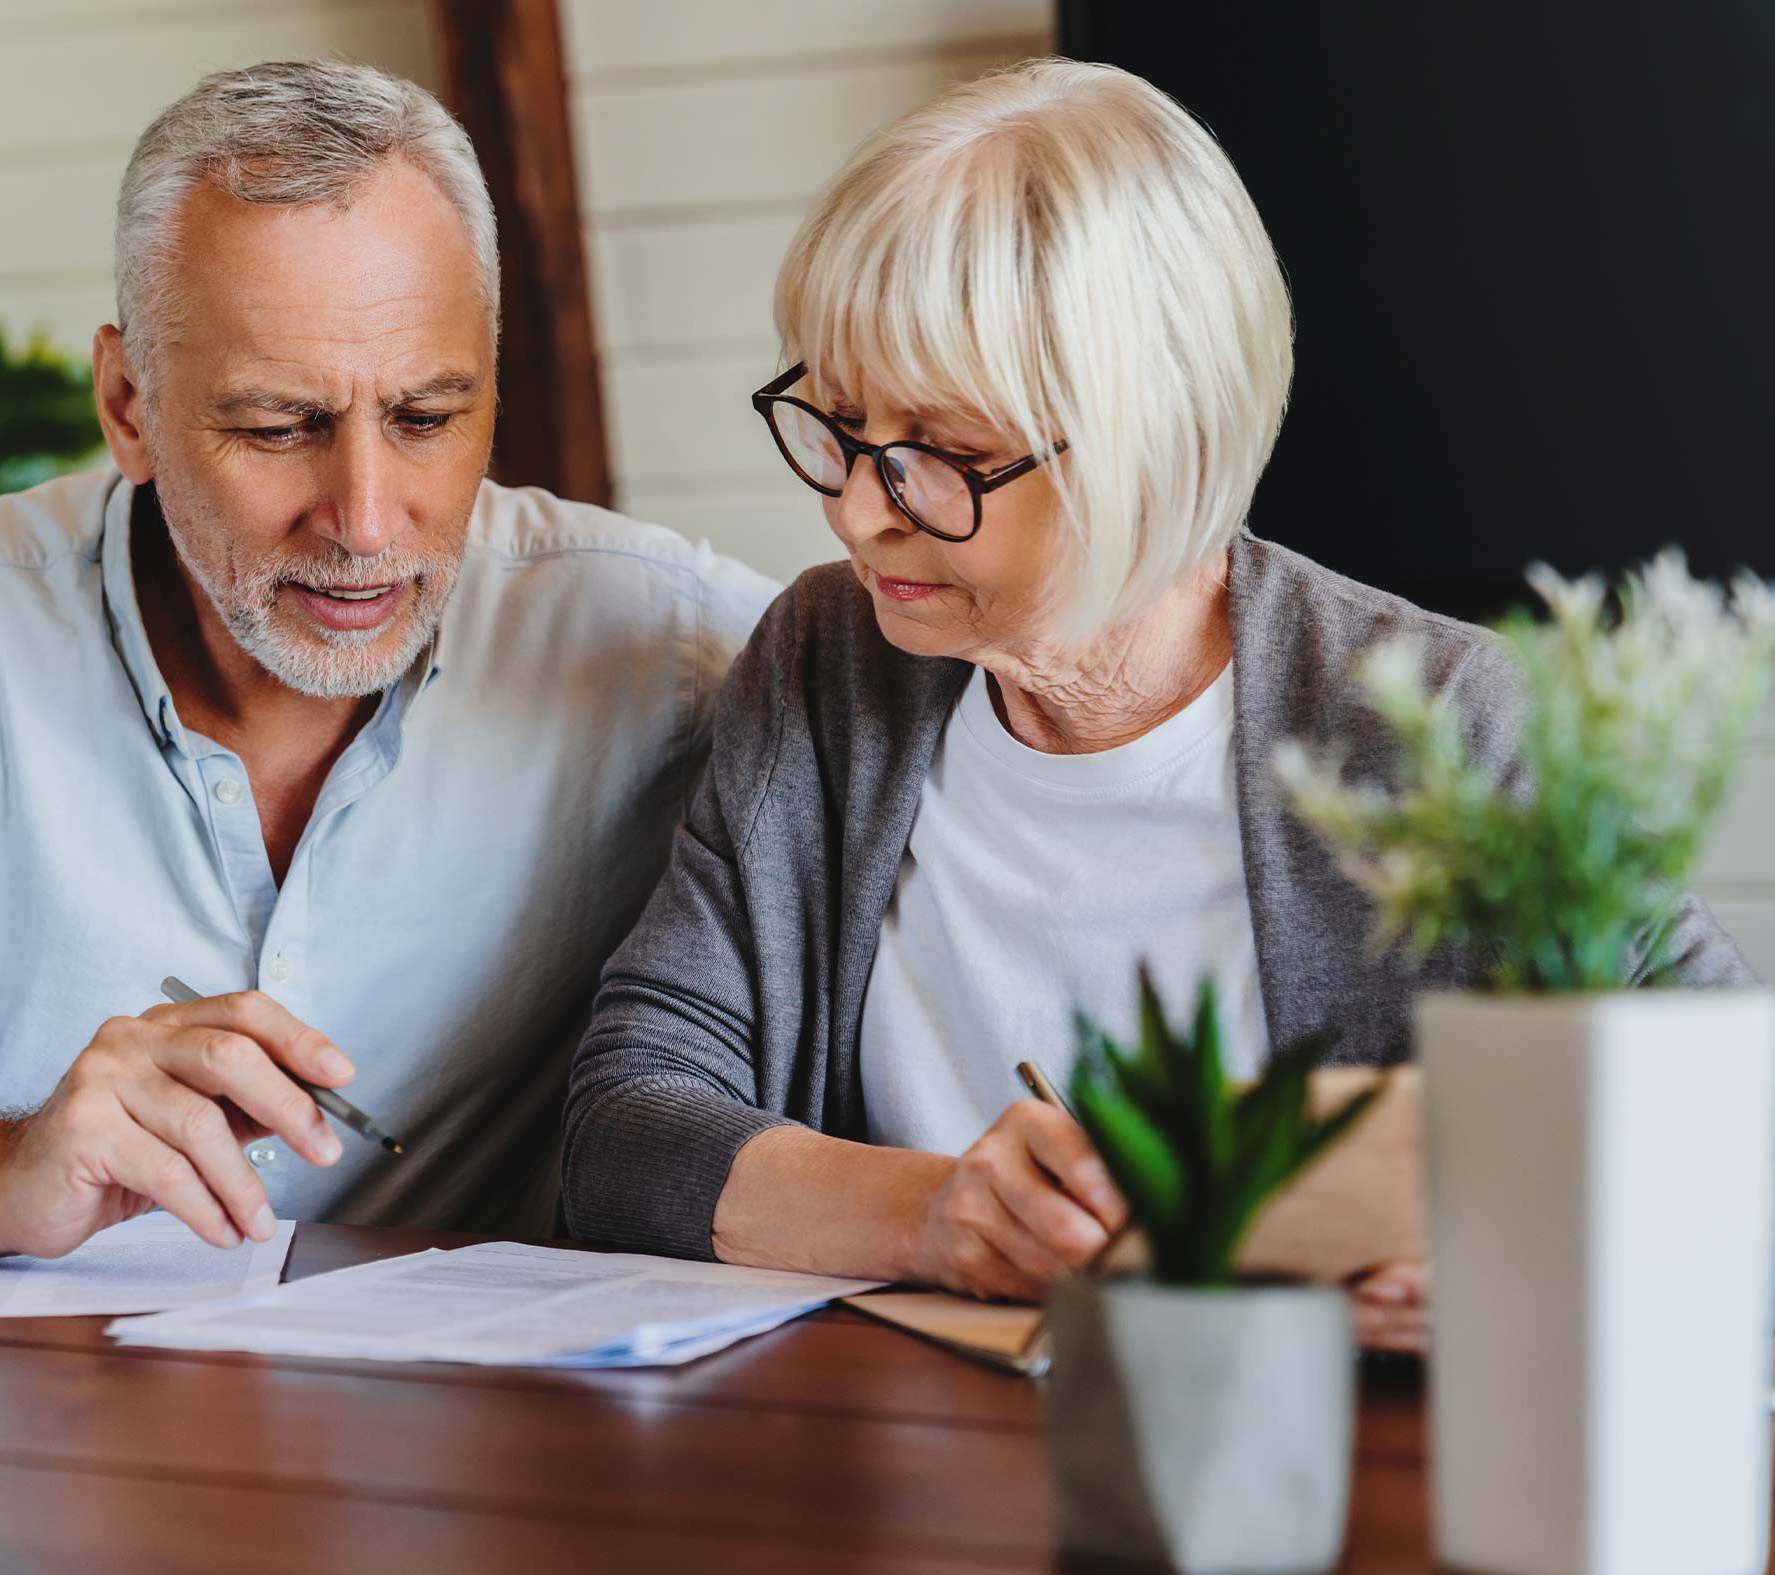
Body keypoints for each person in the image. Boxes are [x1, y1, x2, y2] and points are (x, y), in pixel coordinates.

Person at [559, 59, 1752, 1351]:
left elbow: (1731, 1127)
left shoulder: (1447, 728)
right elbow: (625, 1127)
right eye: (842, 427)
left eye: (942, 456)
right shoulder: (824, 666)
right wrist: (933, 1213)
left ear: (1148, 439)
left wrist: (1535, 1266)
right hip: (897, 1479)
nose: (856, 509)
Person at [0, 60, 775, 1259]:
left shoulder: (671, 645)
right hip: (64, 1418)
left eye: (426, 417)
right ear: (128, 406)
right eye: (277, 426)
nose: (365, 519)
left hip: (501, 1424)